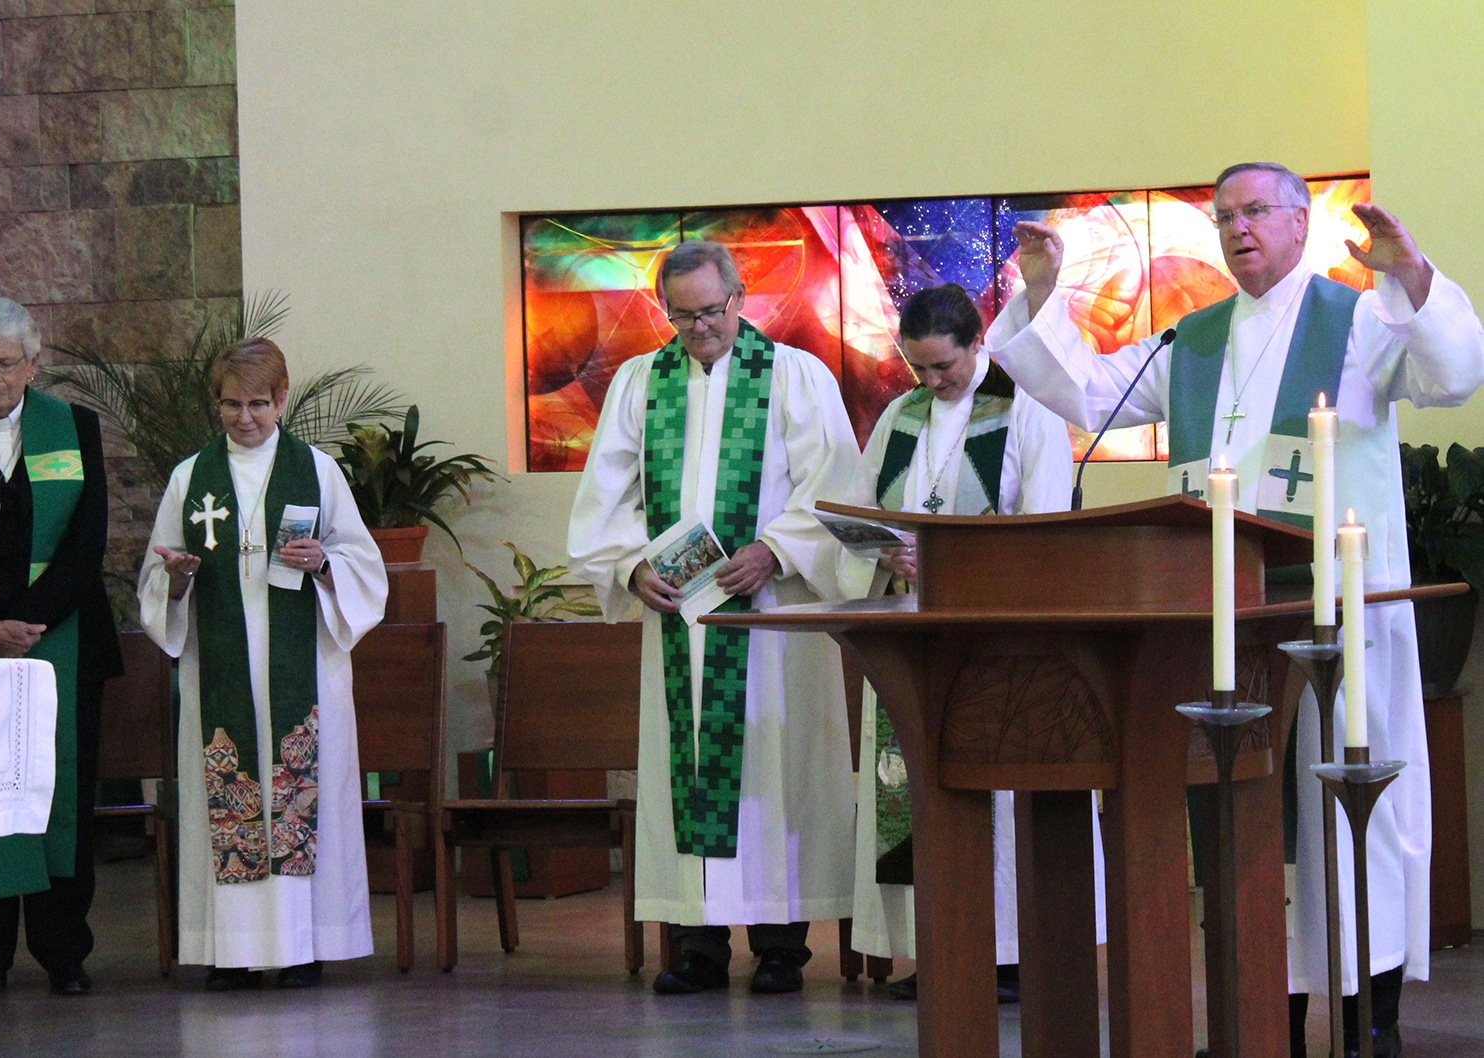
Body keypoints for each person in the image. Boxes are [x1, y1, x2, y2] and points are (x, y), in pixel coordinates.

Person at [984, 162, 1484, 1058]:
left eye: (1256, 211)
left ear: (1299, 222)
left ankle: (1374, 1015)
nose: (1237, 228)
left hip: (1337, 617)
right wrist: (1042, 294)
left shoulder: (1362, 317)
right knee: (1247, 823)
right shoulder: (1193, 340)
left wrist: (1410, 274)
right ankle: (1266, 1015)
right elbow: (1086, 394)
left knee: (1348, 815)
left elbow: (1454, 375)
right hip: (1221, 623)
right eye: (1224, 216)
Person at [567, 239, 860, 996]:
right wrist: (629, 565)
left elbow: (835, 488)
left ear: (740, 296)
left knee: (773, 776)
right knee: (685, 772)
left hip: (768, 620)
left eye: (711, 312)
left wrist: (775, 549)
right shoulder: (641, 382)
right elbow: (605, 496)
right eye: (683, 315)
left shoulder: (794, 376)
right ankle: (696, 945)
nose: (699, 329)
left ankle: (779, 948)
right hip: (678, 623)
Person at [839, 284, 1103, 1002]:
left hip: (995, 643)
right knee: (916, 793)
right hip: (909, 640)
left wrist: (957, 563)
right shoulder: (900, 416)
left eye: (944, 367)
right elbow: (862, 510)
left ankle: (1013, 956)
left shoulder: (1028, 413)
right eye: (918, 367)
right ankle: (941, 946)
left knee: (998, 796)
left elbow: (1044, 533)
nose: (931, 382)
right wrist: (878, 552)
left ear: (977, 342)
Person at [138, 337, 387, 991]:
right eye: (229, 404)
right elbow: (154, 576)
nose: (243, 418)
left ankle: (303, 947)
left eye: (256, 403)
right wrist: (180, 578)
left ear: (281, 399)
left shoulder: (319, 472)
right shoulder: (191, 479)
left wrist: (325, 563)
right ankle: (233, 950)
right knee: (231, 792)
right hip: (219, 671)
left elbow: (365, 565)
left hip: (302, 668)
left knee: (297, 801)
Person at [0, 298, 121, 996]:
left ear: (34, 364)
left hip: (63, 641)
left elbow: (86, 540)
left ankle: (63, 950)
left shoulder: (74, 428)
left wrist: (26, 622)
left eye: (6, 363)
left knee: (56, 795)